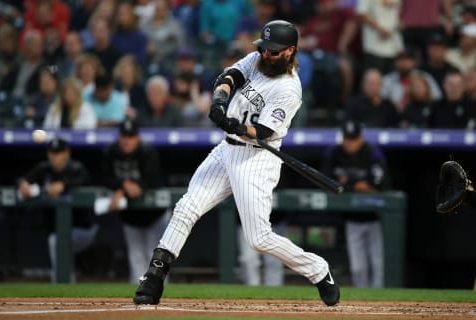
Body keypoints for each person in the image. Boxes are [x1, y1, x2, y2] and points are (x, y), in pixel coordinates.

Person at [133, 20, 340, 307]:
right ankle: (153, 277)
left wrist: (234, 124)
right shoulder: (258, 58)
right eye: (265, 49)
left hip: (256, 158)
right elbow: (230, 76)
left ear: (291, 51)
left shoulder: (289, 89)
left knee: (259, 239)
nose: (266, 54)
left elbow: (263, 133)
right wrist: (219, 103)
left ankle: (318, 269)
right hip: (226, 149)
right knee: (186, 207)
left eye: (274, 51)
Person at [16, 137, 97, 283]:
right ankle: (66, 284)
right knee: (57, 239)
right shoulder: (43, 169)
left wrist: (64, 185)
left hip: (84, 229)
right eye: (52, 153)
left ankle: (62, 283)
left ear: (67, 153)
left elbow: (85, 179)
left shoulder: (76, 168)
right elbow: (22, 179)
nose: (55, 156)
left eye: (59, 153)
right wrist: (22, 184)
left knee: (56, 240)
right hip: (56, 229)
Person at [322, 120, 392, 288]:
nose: (349, 143)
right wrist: (357, 184)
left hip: (375, 219)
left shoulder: (372, 153)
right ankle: (363, 302)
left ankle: (381, 301)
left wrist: (346, 183)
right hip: (352, 220)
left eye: (353, 139)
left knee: (378, 265)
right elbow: (325, 180)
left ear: (361, 138)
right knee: (358, 268)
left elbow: (380, 185)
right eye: (347, 138)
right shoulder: (334, 152)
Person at [100, 119, 170, 283]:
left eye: (130, 136)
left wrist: (138, 186)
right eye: (124, 136)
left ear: (137, 137)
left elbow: (154, 179)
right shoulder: (110, 152)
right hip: (130, 216)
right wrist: (123, 186)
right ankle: (138, 295)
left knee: (156, 256)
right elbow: (103, 178)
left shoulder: (148, 152)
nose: (126, 140)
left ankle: (163, 295)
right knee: (136, 256)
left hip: (155, 215)